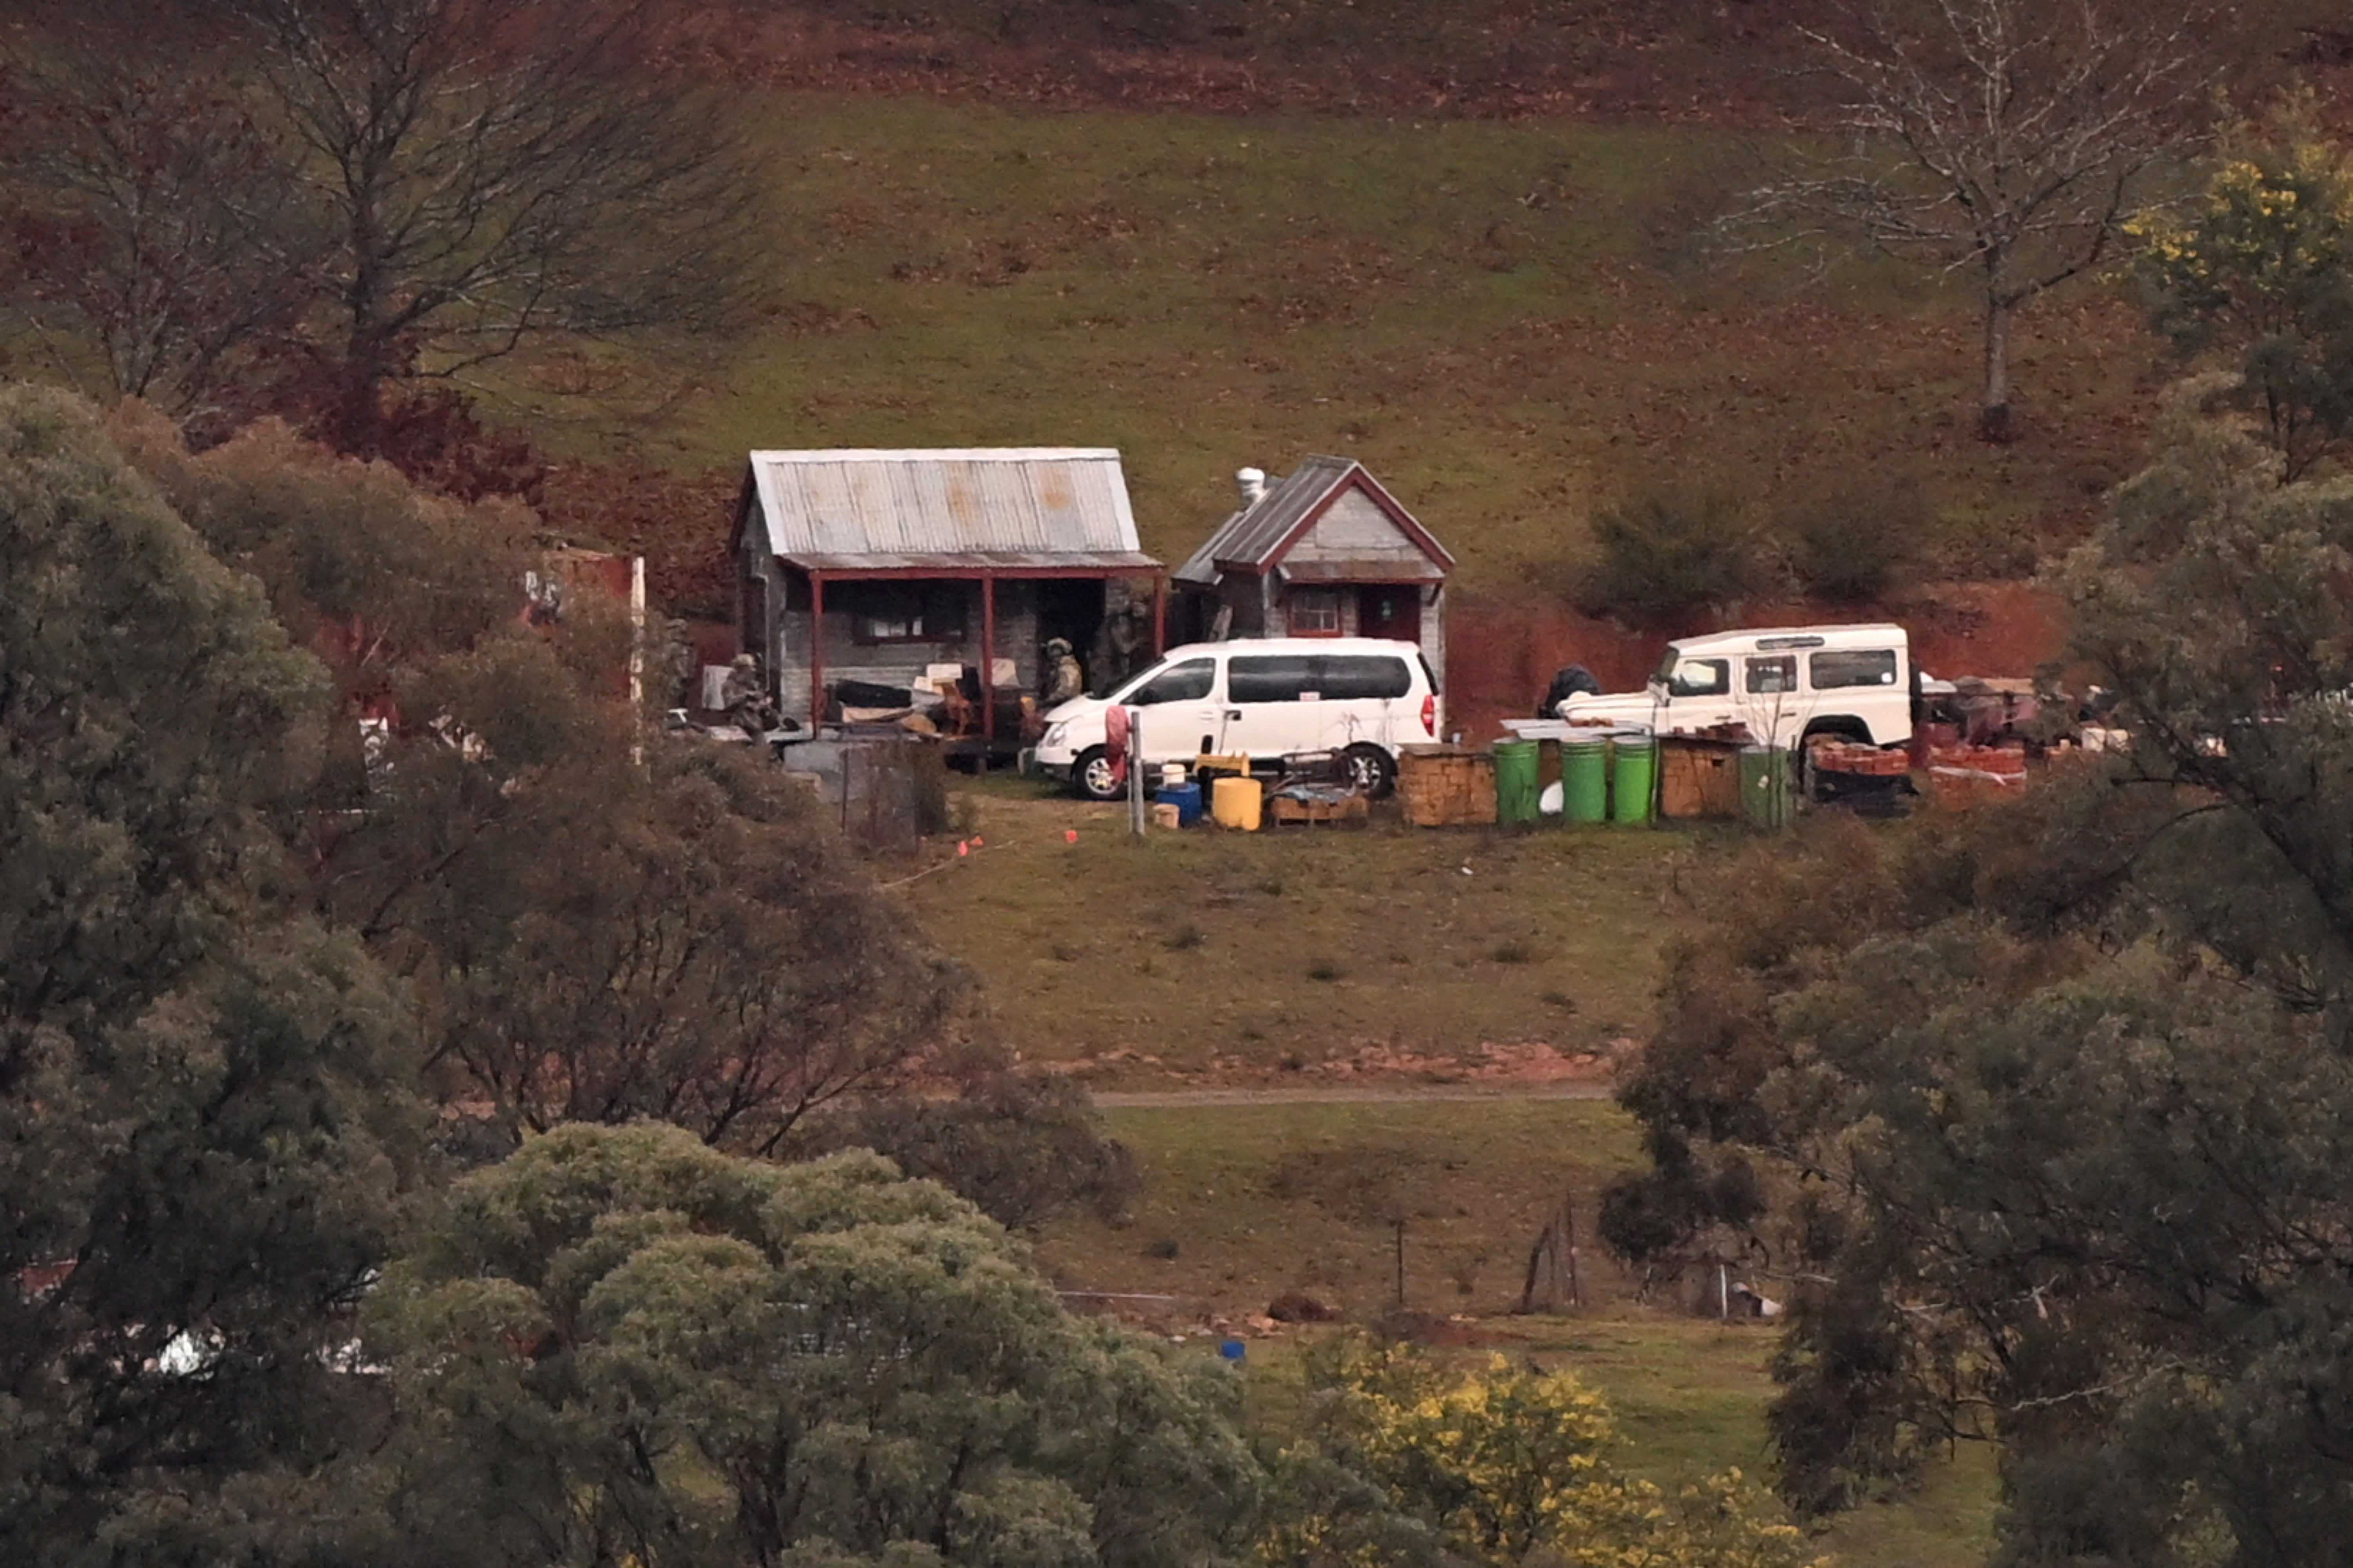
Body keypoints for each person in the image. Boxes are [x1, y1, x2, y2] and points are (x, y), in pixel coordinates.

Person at [720, 653, 780, 740]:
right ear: (742, 668)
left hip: (757, 725)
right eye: (751, 667)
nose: (754, 670)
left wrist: (764, 703)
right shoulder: (730, 685)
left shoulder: (754, 684)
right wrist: (746, 696)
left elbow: (759, 704)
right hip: (740, 726)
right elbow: (729, 703)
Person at [1041, 636, 1084, 706]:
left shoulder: (1067, 668)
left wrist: (1049, 701)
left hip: (1068, 706)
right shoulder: (1059, 667)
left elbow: (1067, 691)